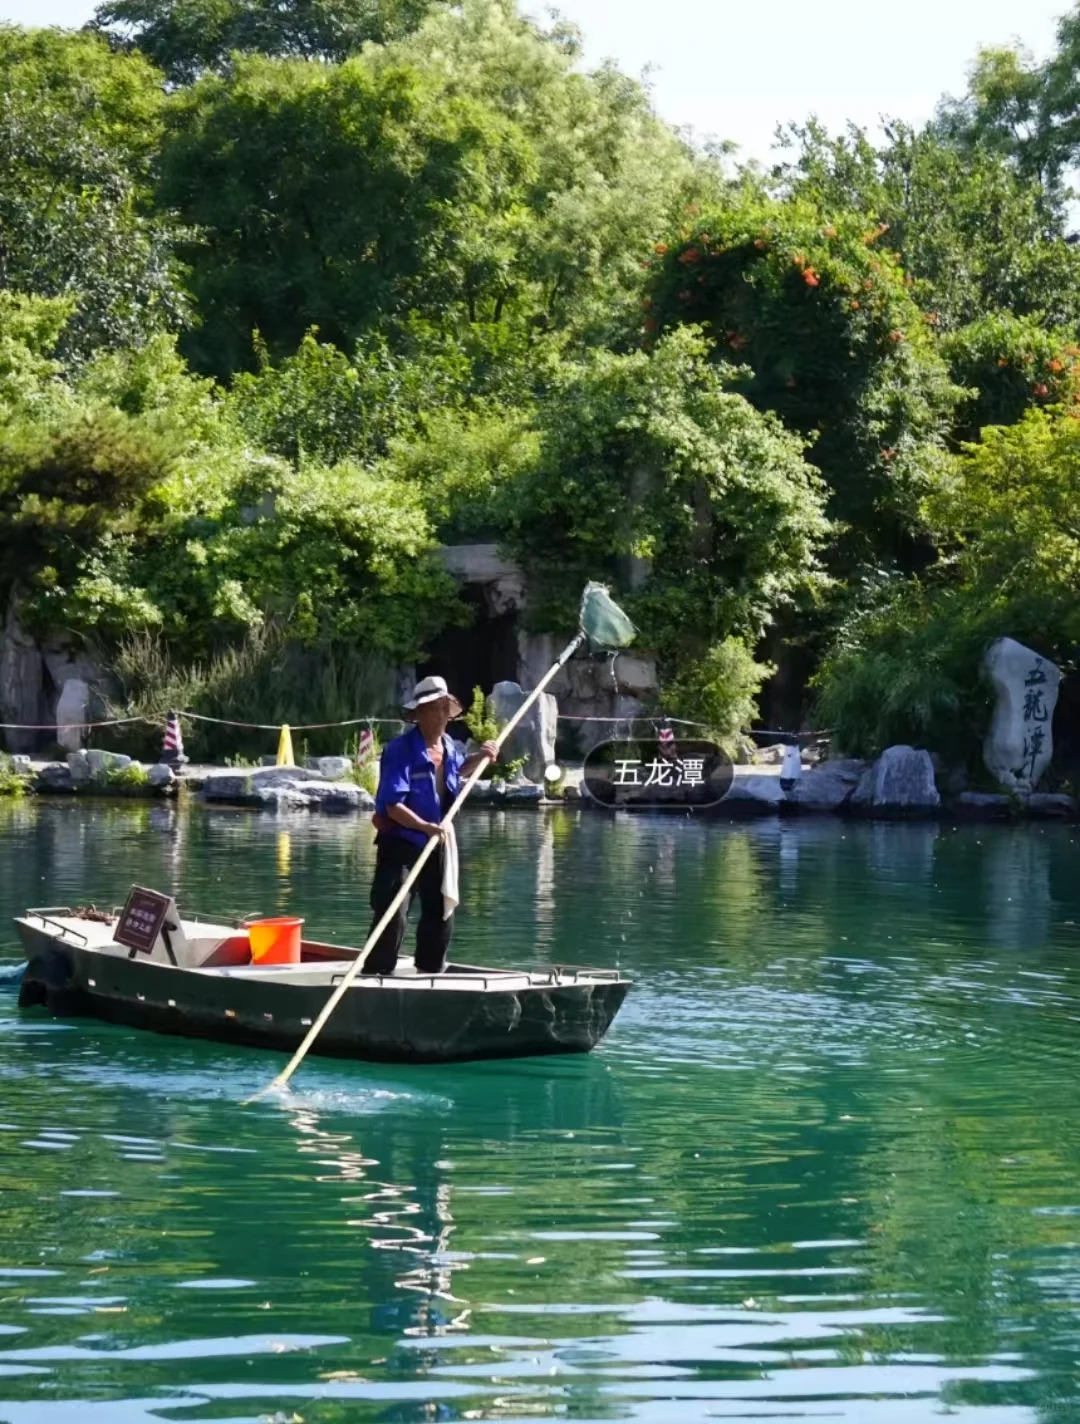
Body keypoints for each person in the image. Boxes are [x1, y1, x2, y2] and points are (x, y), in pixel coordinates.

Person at [365, 676, 498, 976]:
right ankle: (376, 972)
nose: (441, 716)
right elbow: (392, 806)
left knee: (440, 911)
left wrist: (482, 757)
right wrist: (424, 826)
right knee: (393, 911)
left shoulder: (449, 745)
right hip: (401, 841)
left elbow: (459, 768)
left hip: (436, 841)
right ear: (419, 714)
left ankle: (429, 970)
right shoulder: (400, 750)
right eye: (434, 709)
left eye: (444, 709)